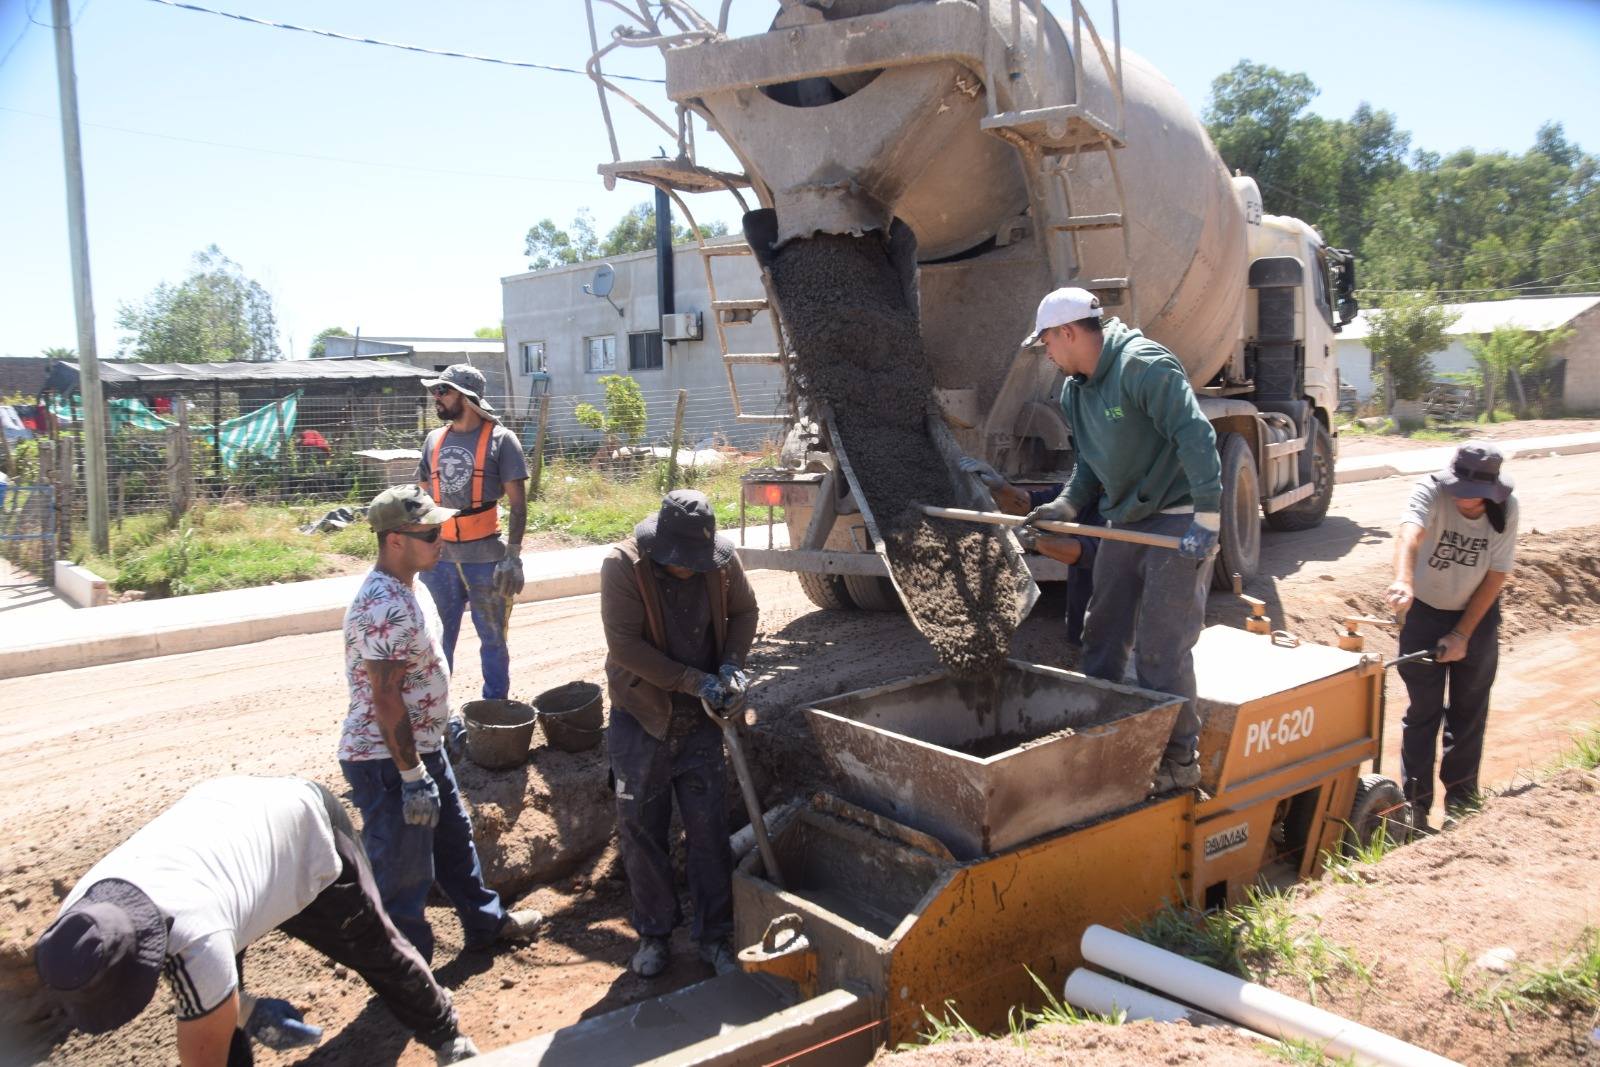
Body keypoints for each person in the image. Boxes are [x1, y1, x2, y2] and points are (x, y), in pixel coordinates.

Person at [33, 776, 479, 1066]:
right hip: (222, 856)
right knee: (214, 1019)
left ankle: (446, 1033)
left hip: (301, 830)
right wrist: (243, 1010)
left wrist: (235, 1008)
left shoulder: (198, 939)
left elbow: (200, 1025)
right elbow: (199, 997)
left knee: (373, 945)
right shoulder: (80, 917)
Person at [1020, 287, 1223, 792]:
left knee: (1160, 648)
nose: (1045, 352)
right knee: (1102, 631)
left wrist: (1209, 520)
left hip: (1176, 518)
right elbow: (1090, 463)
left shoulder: (1143, 367)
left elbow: (1196, 436)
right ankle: (1102, 732)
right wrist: (1065, 505)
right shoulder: (1075, 390)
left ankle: (1179, 759)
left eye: (1046, 341)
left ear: (1068, 332)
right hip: (1125, 519)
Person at [339, 485, 541, 965]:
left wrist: (440, 728)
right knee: (405, 874)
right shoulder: (381, 606)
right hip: (387, 761)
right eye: (431, 534)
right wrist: (411, 778)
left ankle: (486, 924)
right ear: (394, 541)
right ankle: (411, 975)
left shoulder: (415, 587)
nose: (443, 541)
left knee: (455, 842)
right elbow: (386, 700)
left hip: (422, 749)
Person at [599, 490, 759, 979]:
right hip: (643, 716)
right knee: (642, 831)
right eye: (681, 560)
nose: (690, 569)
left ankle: (713, 936)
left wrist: (730, 666)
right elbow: (623, 645)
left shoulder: (722, 564)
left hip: (703, 723)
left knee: (709, 831)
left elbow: (745, 613)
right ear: (659, 546)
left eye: (698, 560)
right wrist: (693, 680)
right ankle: (654, 933)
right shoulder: (623, 566)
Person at [1385, 442, 1518, 833]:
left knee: (1468, 711)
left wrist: (1462, 633)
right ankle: (1415, 808)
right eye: (1463, 492)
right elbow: (1408, 534)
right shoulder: (1430, 491)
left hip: (1476, 614)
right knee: (1422, 713)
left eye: (1478, 496)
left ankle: (1461, 802)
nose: (1468, 501)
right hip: (1424, 611)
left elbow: (1496, 575)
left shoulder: (1507, 508)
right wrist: (1403, 581)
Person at [415, 364, 528, 704]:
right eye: (436, 391)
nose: (436, 397)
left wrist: (513, 557)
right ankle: (436, 716)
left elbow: (519, 506)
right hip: (440, 561)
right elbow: (422, 500)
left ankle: (494, 711)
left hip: (487, 561)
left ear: (465, 397)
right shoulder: (433, 440)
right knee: (435, 641)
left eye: (443, 391)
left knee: (493, 640)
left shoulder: (502, 440)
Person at [957, 455, 1102, 647]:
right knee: (1081, 649)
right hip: (1084, 619)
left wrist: (1032, 540)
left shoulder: (1132, 507)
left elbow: (1091, 552)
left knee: (1102, 663)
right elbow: (1035, 503)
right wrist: (1000, 486)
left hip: (1117, 628)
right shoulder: (1087, 488)